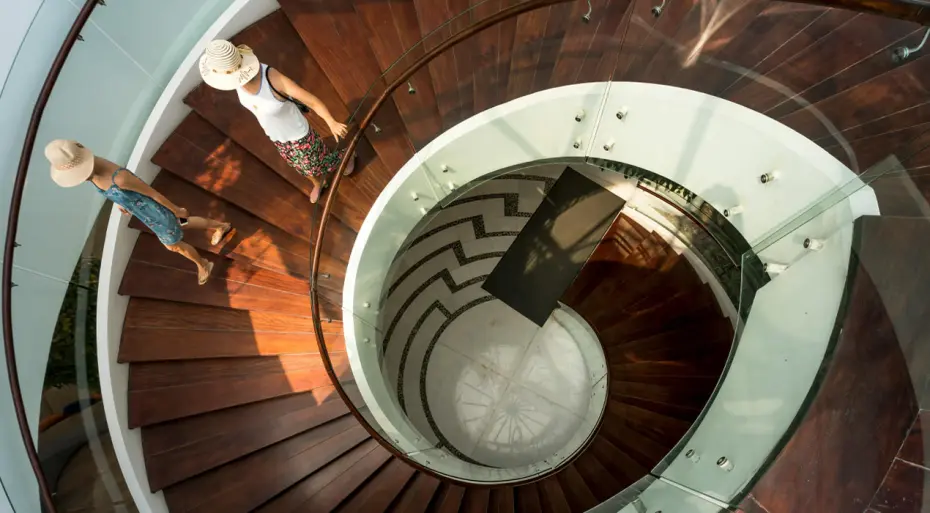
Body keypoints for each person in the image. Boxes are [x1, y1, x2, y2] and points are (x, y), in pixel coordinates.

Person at [45, 139, 231, 285]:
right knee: (185, 223)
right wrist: (121, 202)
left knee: (174, 245)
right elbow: (117, 192)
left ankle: (202, 264)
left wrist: (175, 209)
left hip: (157, 214)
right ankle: (220, 226)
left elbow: (153, 193)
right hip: (146, 214)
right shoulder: (94, 172)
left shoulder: (120, 179)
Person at [198, 39, 355, 203]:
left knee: (316, 163)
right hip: (276, 136)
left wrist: (331, 121)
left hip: (298, 133)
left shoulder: (272, 79)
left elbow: (311, 101)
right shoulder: (237, 82)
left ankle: (345, 157)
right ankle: (318, 183)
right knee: (297, 164)